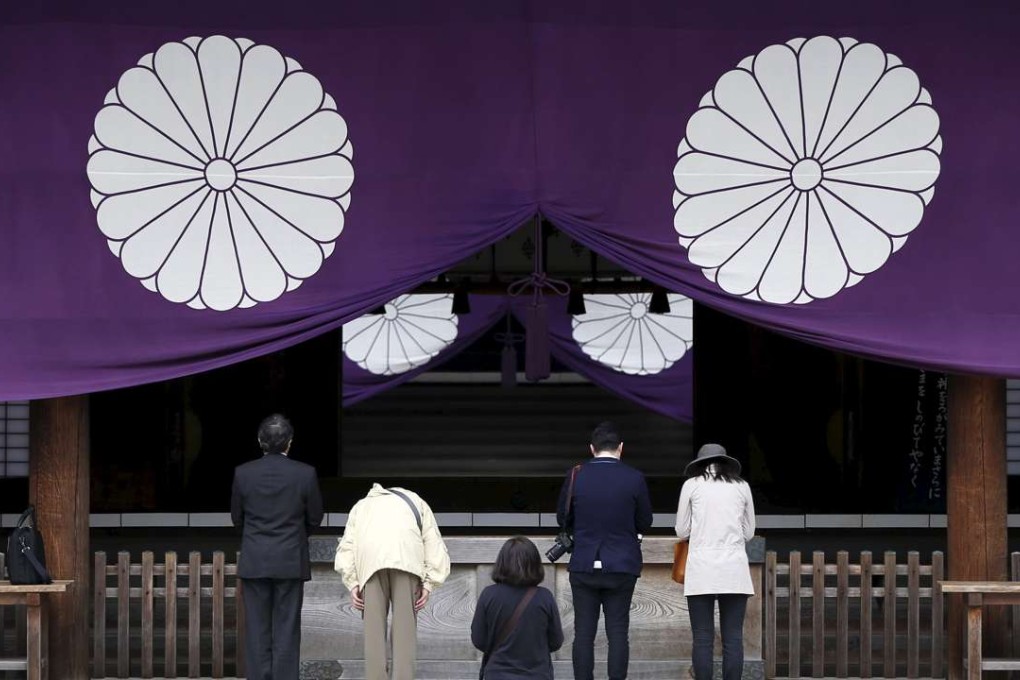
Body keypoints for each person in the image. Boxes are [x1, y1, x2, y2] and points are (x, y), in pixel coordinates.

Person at [557, 421, 653, 680]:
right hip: (622, 565)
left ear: (592, 448)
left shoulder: (577, 474)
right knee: (618, 633)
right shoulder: (634, 477)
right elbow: (645, 520)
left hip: (584, 563)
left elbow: (562, 518)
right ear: (621, 448)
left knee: (584, 634)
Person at [231, 414, 324, 680]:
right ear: (289, 443)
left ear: (260, 441)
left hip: (255, 559)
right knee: (287, 628)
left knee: (256, 628)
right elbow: (315, 517)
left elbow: (237, 518)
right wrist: (295, 536)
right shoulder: (305, 473)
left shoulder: (243, 473)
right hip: (290, 560)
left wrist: (255, 538)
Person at [335, 483, 451, 680]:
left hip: (370, 566)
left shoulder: (361, 506)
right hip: (407, 563)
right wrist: (429, 583)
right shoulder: (416, 501)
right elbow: (432, 542)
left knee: (374, 634)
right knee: (404, 632)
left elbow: (347, 546)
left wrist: (353, 582)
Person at [675, 443, 756, 680]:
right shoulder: (742, 486)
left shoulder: (691, 485)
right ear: (725, 462)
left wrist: (700, 530)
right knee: (733, 637)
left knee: (702, 637)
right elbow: (749, 532)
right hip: (734, 569)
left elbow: (681, 530)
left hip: (701, 568)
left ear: (699, 464)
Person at [471, 536, 564, 679]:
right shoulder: (545, 597)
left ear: (502, 563)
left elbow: (479, 639)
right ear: (534, 563)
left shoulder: (488, 595)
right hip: (537, 674)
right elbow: (556, 641)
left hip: (498, 674)